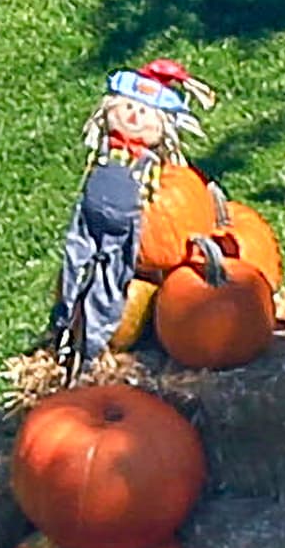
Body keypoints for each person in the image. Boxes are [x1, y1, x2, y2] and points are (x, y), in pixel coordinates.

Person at [53, 60, 215, 380]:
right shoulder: (104, 148)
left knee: (110, 285)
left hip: (124, 229)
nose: (133, 116)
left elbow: (160, 203)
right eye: (127, 106)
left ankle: (91, 347)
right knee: (75, 267)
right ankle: (64, 324)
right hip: (88, 219)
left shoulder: (151, 165)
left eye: (144, 112)